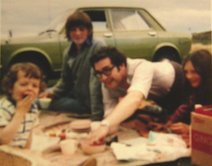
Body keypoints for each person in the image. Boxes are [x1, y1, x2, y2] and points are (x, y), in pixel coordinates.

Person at [89, 47, 185, 143]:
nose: (104, 78)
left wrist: (105, 125)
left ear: (122, 65)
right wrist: (99, 134)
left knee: (180, 129)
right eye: (99, 73)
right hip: (159, 96)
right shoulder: (106, 83)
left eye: (107, 70)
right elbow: (110, 115)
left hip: (179, 82)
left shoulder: (142, 66)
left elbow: (135, 98)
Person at [40, 11, 105, 120]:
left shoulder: (97, 46)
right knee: (41, 100)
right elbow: (65, 81)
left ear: (89, 31)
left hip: (90, 102)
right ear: (68, 32)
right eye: (73, 30)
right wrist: (49, 93)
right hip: (75, 95)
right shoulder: (67, 52)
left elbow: (96, 84)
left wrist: (96, 115)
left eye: (81, 29)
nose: (77, 33)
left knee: (46, 104)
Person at [166, 49, 212, 140]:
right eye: (186, 72)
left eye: (194, 72)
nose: (189, 76)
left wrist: (190, 129)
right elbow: (185, 107)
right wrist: (169, 122)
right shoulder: (193, 91)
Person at [0, 63, 45, 148]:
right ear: (10, 88)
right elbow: (3, 140)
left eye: (35, 86)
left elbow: (28, 134)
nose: (30, 88)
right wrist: (20, 113)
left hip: (18, 154)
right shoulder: (4, 108)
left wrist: (27, 152)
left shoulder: (33, 108)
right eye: (24, 84)